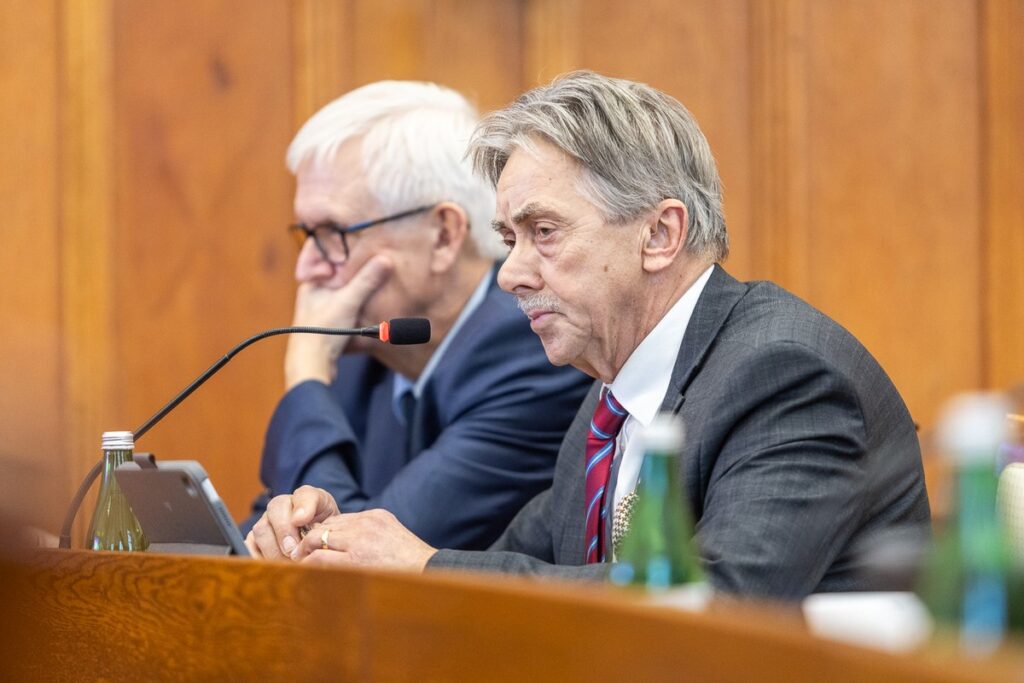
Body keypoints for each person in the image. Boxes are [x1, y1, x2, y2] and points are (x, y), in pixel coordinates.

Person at [247, 72, 931, 601]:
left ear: (659, 235)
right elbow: (510, 569)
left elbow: (720, 602)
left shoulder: (785, 373)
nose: (510, 273)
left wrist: (422, 565)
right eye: (509, 238)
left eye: (544, 232)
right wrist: (341, 537)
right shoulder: (609, 403)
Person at [241, 81, 590, 551]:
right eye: (306, 236)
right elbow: (268, 524)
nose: (305, 270)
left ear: (443, 235)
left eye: (333, 234)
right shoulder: (367, 351)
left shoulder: (531, 350)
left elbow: (361, 557)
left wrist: (305, 375)